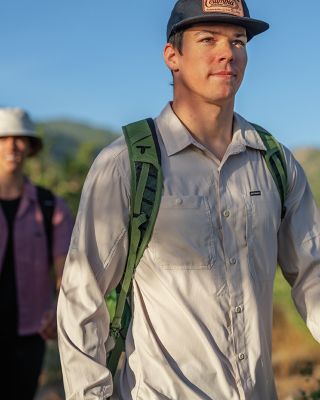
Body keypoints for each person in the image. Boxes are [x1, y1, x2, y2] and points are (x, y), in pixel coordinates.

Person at [57, 1, 320, 399]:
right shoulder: (128, 163)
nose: (227, 53)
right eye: (207, 39)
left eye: (238, 41)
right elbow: (81, 296)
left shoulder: (276, 163)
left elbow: (312, 273)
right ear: (172, 56)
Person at [0, 107, 73, 399]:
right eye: (4, 138)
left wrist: (59, 308)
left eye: (20, 139)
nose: (12, 146)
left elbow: (65, 269)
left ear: (30, 147)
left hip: (29, 332)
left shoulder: (49, 205)